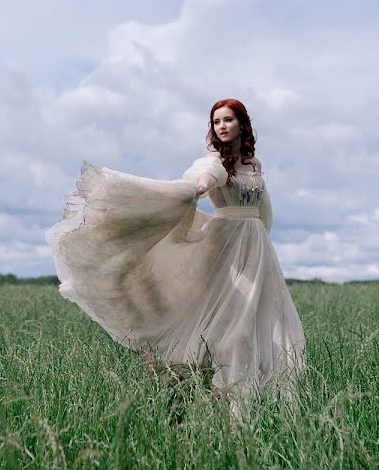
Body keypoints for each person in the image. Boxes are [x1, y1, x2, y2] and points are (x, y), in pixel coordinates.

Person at [45, 98, 306, 410]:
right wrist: (197, 188)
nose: (221, 127)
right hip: (227, 245)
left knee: (266, 320)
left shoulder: (254, 165)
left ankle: (267, 399)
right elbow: (206, 178)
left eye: (227, 120)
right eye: (216, 122)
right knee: (230, 325)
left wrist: (263, 235)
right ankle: (224, 401)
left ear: (242, 124)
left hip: (257, 247)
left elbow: (264, 208)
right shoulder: (214, 162)